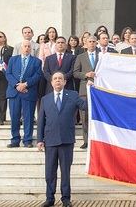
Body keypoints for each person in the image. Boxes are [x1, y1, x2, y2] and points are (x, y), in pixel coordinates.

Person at [37, 71, 87, 207]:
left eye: (60, 78)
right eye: (55, 79)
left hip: (66, 140)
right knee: (49, 172)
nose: (58, 81)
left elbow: (85, 106)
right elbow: (41, 121)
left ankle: (66, 199)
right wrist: (39, 139)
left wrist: (91, 90)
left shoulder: (72, 95)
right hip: (50, 141)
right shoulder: (45, 99)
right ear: (51, 82)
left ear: (65, 82)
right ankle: (49, 198)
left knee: (65, 172)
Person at [6, 40, 42, 148]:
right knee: (14, 116)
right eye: (25, 46)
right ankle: (15, 140)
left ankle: (27, 140)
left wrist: (25, 84)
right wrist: (17, 85)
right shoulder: (13, 59)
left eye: (29, 46)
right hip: (14, 92)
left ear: (31, 48)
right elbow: (8, 74)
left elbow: (37, 75)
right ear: (21, 48)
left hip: (28, 92)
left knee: (29, 117)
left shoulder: (37, 61)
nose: (27, 48)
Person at [73, 35, 98, 148]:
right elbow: (75, 73)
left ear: (96, 43)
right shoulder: (80, 57)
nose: (92, 43)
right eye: (90, 42)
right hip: (84, 90)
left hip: (99, 90)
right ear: (86, 43)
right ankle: (86, 140)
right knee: (84, 116)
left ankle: (96, 140)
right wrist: (85, 75)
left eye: (93, 41)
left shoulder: (102, 56)